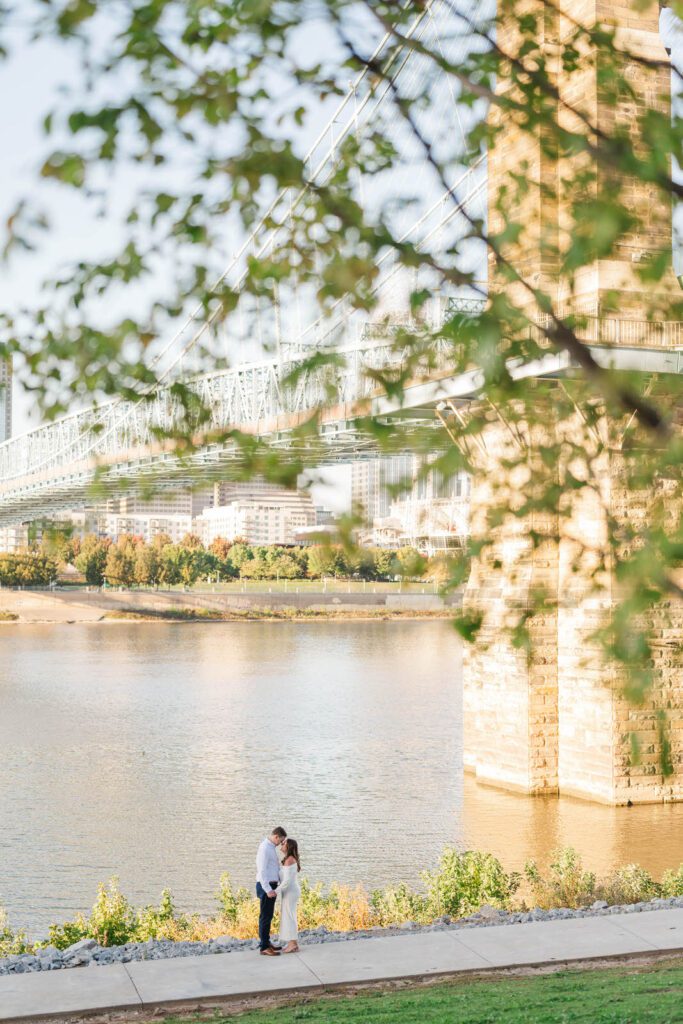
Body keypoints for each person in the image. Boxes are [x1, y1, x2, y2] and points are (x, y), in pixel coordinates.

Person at [255, 826, 287, 956]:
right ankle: (263, 947)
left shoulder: (270, 847)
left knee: (268, 915)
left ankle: (267, 943)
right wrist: (268, 889)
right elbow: (261, 871)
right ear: (276, 836)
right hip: (266, 886)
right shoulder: (264, 848)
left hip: (271, 885)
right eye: (281, 841)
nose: (281, 844)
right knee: (265, 917)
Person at [278, 837, 302, 953]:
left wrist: (275, 891)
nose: (281, 844)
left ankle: (292, 944)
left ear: (288, 846)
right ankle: (294, 944)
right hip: (290, 891)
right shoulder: (289, 859)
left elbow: (286, 881)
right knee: (290, 916)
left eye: (284, 843)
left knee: (289, 917)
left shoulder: (289, 860)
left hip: (290, 891)